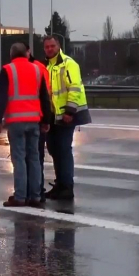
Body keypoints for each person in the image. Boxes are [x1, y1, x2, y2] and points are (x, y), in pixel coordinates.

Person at [0, 43, 51, 207]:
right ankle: (35, 196)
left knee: (19, 159)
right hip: (34, 120)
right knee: (34, 158)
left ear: (11, 55)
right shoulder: (37, 69)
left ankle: (20, 196)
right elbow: (44, 97)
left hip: (15, 121)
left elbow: (2, 96)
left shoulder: (8, 70)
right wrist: (46, 120)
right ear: (27, 54)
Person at [43, 36, 92, 200]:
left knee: (63, 150)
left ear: (58, 46)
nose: (50, 49)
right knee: (54, 149)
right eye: (47, 47)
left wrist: (70, 112)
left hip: (66, 115)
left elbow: (75, 88)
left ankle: (66, 187)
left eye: (52, 46)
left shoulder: (68, 64)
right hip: (54, 116)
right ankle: (60, 184)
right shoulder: (49, 66)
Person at [25, 43, 50, 202]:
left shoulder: (38, 68)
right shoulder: (38, 67)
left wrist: (45, 119)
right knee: (32, 156)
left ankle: (35, 189)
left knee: (34, 156)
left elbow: (44, 94)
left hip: (35, 118)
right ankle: (33, 190)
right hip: (30, 117)